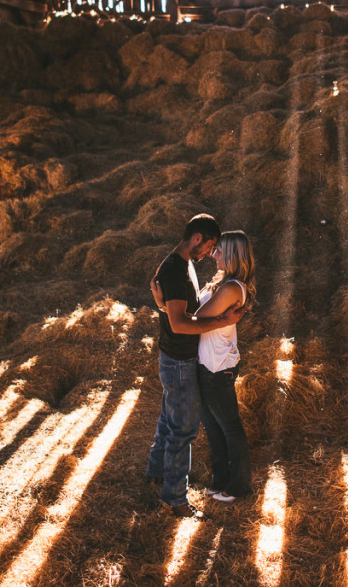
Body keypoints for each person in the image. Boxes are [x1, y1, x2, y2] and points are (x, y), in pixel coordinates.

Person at [145, 214, 244, 518]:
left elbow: (175, 310)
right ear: (197, 238)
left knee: (168, 417)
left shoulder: (180, 263)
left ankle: (157, 470)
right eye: (210, 245)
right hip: (179, 360)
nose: (209, 254)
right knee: (183, 430)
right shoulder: (177, 269)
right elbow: (179, 324)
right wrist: (221, 321)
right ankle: (174, 498)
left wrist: (162, 305)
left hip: (173, 358)